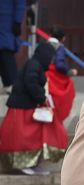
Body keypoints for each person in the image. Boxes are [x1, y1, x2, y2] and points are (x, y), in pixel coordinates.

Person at [0, 42, 69, 176]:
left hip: (28, 107)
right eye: (50, 58)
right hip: (21, 108)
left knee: (31, 138)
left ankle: (31, 163)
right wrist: (41, 97)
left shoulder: (35, 65)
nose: (51, 61)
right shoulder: (33, 65)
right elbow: (30, 82)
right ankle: (24, 164)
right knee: (22, 139)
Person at [0, 0, 25, 94]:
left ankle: (13, 83)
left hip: (7, 20)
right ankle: (7, 83)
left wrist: (17, 21)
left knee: (6, 51)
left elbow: (20, 3)